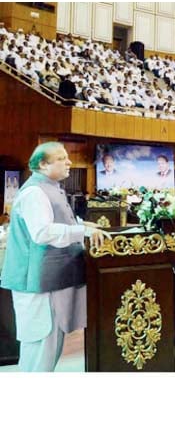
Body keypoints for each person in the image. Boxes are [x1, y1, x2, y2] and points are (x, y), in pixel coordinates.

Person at [0, 142, 109, 371]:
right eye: (61, 158)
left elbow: (56, 221)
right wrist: (83, 231)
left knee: (49, 350)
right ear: (43, 164)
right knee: (40, 350)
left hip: (48, 281)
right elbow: (42, 232)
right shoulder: (34, 192)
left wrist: (83, 224)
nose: (69, 162)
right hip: (36, 283)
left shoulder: (48, 187)